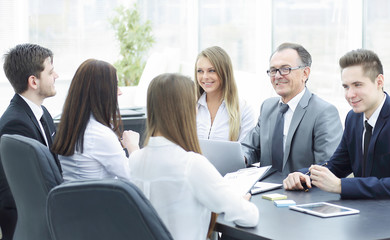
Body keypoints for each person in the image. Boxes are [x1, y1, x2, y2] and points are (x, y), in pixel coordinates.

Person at [283, 49, 390, 205]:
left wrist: (340, 185)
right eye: (346, 87)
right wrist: (303, 175)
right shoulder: (353, 118)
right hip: (367, 211)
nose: (350, 94)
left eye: (357, 85)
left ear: (379, 82)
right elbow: (337, 166)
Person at [129, 73, 259, 240]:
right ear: (186, 110)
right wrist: (241, 202)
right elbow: (249, 217)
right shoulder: (190, 165)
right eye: (195, 105)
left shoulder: (135, 160)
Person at [241, 42, 343, 175]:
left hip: (303, 191)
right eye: (273, 70)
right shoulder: (267, 107)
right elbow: (250, 147)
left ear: (305, 73)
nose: (277, 76)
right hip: (264, 189)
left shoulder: (324, 112)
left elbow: (327, 166)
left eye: (285, 69)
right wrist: (242, 157)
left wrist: (300, 178)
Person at [0, 43, 61, 240]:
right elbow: (18, 193)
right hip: (31, 229)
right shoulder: (15, 124)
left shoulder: (42, 113)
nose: (56, 76)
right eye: (51, 72)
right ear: (33, 82)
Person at [51, 59, 140, 182]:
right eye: (115, 85)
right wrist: (133, 147)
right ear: (102, 92)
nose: (120, 92)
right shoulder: (99, 134)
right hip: (100, 200)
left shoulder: (71, 128)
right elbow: (136, 179)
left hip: (76, 199)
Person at [195, 46, 255, 141]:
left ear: (224, 72)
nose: (205, 76)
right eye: (200, 71)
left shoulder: (244, 110)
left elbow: (246, 151)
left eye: (211, 70)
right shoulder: (189, 107)